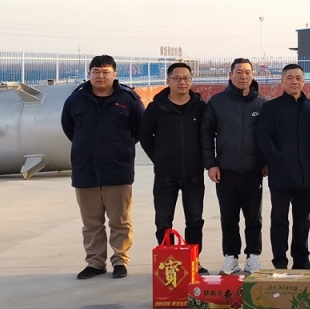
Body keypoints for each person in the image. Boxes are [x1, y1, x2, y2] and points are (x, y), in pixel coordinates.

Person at [60, 55, 144, 280]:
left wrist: (119, 148)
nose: (100, 76)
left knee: (120, 221)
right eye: (96, 71)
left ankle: (120, 260)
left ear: (114, 74)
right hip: (85, 170)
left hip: (117, 170)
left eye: (106, 72)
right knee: (91, 223)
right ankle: (95, 263)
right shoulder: (75, 100)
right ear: (89, 74)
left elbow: (139, 129)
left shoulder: (128, 99)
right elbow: (69, 128)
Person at [139, 61, 209, 274]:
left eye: (186, 78)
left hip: (194, 174)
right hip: (165, 175)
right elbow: (145, 137)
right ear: (168, 81)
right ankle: (168, 262)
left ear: (191, 80)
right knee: (163, 221)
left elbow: (207, 136)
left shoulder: (200, 107)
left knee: (195, 220)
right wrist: (159, 158)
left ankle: (194, 262)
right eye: (177, 78)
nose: (182, 82)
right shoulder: (156, 107)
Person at [201, 58, 267, 275]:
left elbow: (270, 136)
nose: (243, 76)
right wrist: (211, 164)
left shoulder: (262, 103)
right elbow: (206, 134)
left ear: (253, 75)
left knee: (253, 216)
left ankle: (253, 256)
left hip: (253, 171)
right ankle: (231, 257)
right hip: (225, 170)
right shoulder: (217, 102)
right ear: (230, 75)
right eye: (238, 72)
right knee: (228, 216)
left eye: (247, 72)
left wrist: (266, 162)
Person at [257, 63, 310, 270]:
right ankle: (280, 260)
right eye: (290, 78)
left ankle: (301, 259)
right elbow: (263, 137)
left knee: (303, 219)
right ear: (282, 81)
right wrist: (276, 158)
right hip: (281, 172)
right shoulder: (271, 107)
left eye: (298, 78)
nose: (294, 82)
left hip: (305, 172)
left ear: (304, 81)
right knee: (280, 219)